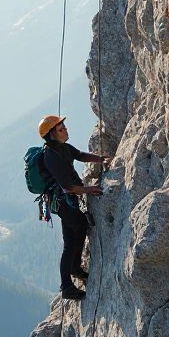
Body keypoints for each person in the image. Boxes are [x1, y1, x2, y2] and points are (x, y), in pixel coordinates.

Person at [38, 115, 112, 301]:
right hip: (62, 201)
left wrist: (100, 159)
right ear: (52, 135)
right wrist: (89, 189)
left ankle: (75, 268)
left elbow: (80, 155)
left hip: (66, 199)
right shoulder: (50, 156)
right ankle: (67, 285)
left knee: (75, 233)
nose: (66, 130)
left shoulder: (63, 148)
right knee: (73, 236)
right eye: (61, 129)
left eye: (64, 127)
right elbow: (68, 187)